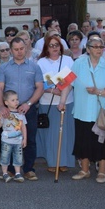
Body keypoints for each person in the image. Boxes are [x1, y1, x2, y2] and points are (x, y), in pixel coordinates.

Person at [59, 36, 105, 183]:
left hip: (102, 109)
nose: (99, 49)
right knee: (83, 140)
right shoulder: (78, 63)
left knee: (101, 142)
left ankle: (102, 171)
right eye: (95, 46)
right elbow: (66, 83)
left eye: (101, 46)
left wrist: (99, 91)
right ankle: (84, 169)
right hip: (82, 109)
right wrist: (62, 101)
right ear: (89, 49)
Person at [0, 37, 43, 180]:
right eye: (16, 49)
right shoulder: (4, 68)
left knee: (30, 139)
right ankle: (9, 170)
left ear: (26, 48)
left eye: (21, 48)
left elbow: (40, 88)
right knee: (8, 140)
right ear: (11, 51)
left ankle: (29, 169)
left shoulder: (34, 67)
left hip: (28, 109)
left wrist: (28, 104)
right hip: (9, 111)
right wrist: (2, 107)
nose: (19, 52)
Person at [36, 35, 75, 172]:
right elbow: (38, 84)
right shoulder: (41, 62)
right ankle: (53, 162)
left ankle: (64, 161)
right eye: (51, 45)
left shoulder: (68, 60)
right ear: (46, 47)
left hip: (67, 101)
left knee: (65, 134)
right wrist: (53, 90)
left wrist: (62, 94)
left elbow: (71, 81)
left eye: (56, 45)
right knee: (51, 135)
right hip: (48, 103)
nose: (54, 48)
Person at [0, 90, 27, 182]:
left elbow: (23, 127)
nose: (16, 102)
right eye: (13, 100)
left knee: (18, 157)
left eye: (17, 99)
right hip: (6, 141)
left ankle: (17, 173)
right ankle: (5, 173)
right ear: (6, 102)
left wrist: (25, 139)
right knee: (5, 157)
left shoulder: (20, 114)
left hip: (18, 140)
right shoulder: (4, 113)